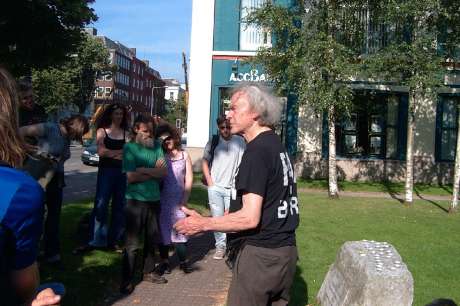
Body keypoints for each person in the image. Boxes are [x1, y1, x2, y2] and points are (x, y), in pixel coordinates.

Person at [175, 83, 300, 306]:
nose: (227, 114)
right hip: (285, 254)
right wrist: (230, 211)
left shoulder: (257, 151)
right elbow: (271, 198)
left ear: (255, 113)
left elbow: (250, 218)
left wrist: (203, 223)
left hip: (261, 258)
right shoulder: (276, 146)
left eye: (234, 108)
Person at [0, 67, 60, 306]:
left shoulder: (41, 113)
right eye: (24, 97)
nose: (29, 100)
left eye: (31, 97)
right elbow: (24, 289)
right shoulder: (19, 192)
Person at [20, 115, 89, 264]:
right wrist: (32, 150)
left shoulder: (68, 137)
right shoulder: (50, 128)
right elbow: (19, 132)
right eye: (79, 134)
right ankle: (30, 253)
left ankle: (51, 252)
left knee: (53, 217)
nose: (78, 138)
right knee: (35, 216)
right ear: (74, 128)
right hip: (38, 178)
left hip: (55, 180)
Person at [120, 115, 168, 294]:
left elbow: (163, 172)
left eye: (151, 131)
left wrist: (142, 170)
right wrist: (153, 171)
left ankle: (148, 272)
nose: (149, 135)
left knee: (151, 240)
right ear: (136, 130)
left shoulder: (156, 146)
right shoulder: (130, 148)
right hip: (135, 201)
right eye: (146, 131)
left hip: (154, 199)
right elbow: (131, 177)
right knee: (132, 243)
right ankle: (127, 279)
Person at [74, 103, 129, 253]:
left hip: (121, 173)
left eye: (121, 114)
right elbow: (101, 152)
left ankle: (115, 241)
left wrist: (113, 152)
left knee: (120, 206)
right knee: (101, 205)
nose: (119, 116)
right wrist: (120, 153)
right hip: (106, 172)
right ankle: (96, 240)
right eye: (116, 113)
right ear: (110, 114)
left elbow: (129, 154)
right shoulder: (102, 131)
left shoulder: (126, 133)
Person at [201, 115, 246, 260]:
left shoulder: (240, 142)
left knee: (233, 219)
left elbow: (245, 163)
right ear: (218, 128)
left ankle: (233, 247)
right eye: (222, 127)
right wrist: (210, 182)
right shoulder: (213, 142)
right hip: (216, 187)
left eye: (228, 127)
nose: (226, 130)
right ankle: (220, 246)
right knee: (217, 219)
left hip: (232, 188)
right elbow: (204, 161)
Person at [155, 125, 194, 274]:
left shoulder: (184, 155)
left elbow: (189, 178)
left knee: (181, 232)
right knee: (163, 233)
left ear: (175, 138)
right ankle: (165, 262)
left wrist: (185, 198)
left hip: (179, 200)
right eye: (163, 140)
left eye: (169, 138)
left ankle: (183, 262)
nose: (167, 142)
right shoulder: (161, 156)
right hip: (163, 200)